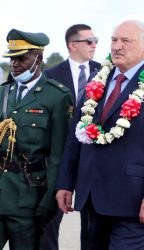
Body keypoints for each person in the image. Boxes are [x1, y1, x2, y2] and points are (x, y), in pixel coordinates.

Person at [55, 19, 144, 249]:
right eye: (114, 40)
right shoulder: (96, 79)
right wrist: (65, 183)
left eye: (125, 41)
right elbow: (75, 137)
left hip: (136, 203)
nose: (117, 46)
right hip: (92, 198)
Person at [0, 29, 73, 249]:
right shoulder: (4, 93)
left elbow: (59, 155)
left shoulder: (57, 97)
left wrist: (49, 200)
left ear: (38, 58)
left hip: (28, 199)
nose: (14, 64)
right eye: (12, 58)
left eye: (21, 58)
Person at [43, 23, 100, 250]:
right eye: (89, 41)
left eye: (96, 40)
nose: (94, 44)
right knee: (49, 223)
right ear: (72, 45)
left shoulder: (105, 73)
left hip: (91, 158)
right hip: (59, 160)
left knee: (92, 227)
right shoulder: (50, 76)